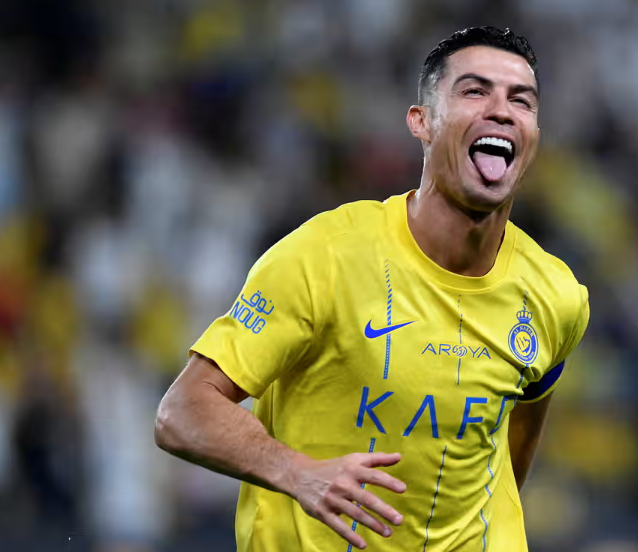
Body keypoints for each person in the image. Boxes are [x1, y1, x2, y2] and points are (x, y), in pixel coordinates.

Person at [154, 26, 589, 551]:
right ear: (422, 121)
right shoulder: (326, 256)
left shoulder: (555, 295)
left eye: (521, 100)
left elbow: (512, 449)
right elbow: (182, 412)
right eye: (475, 91)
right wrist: (297, 472)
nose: (501, 110)